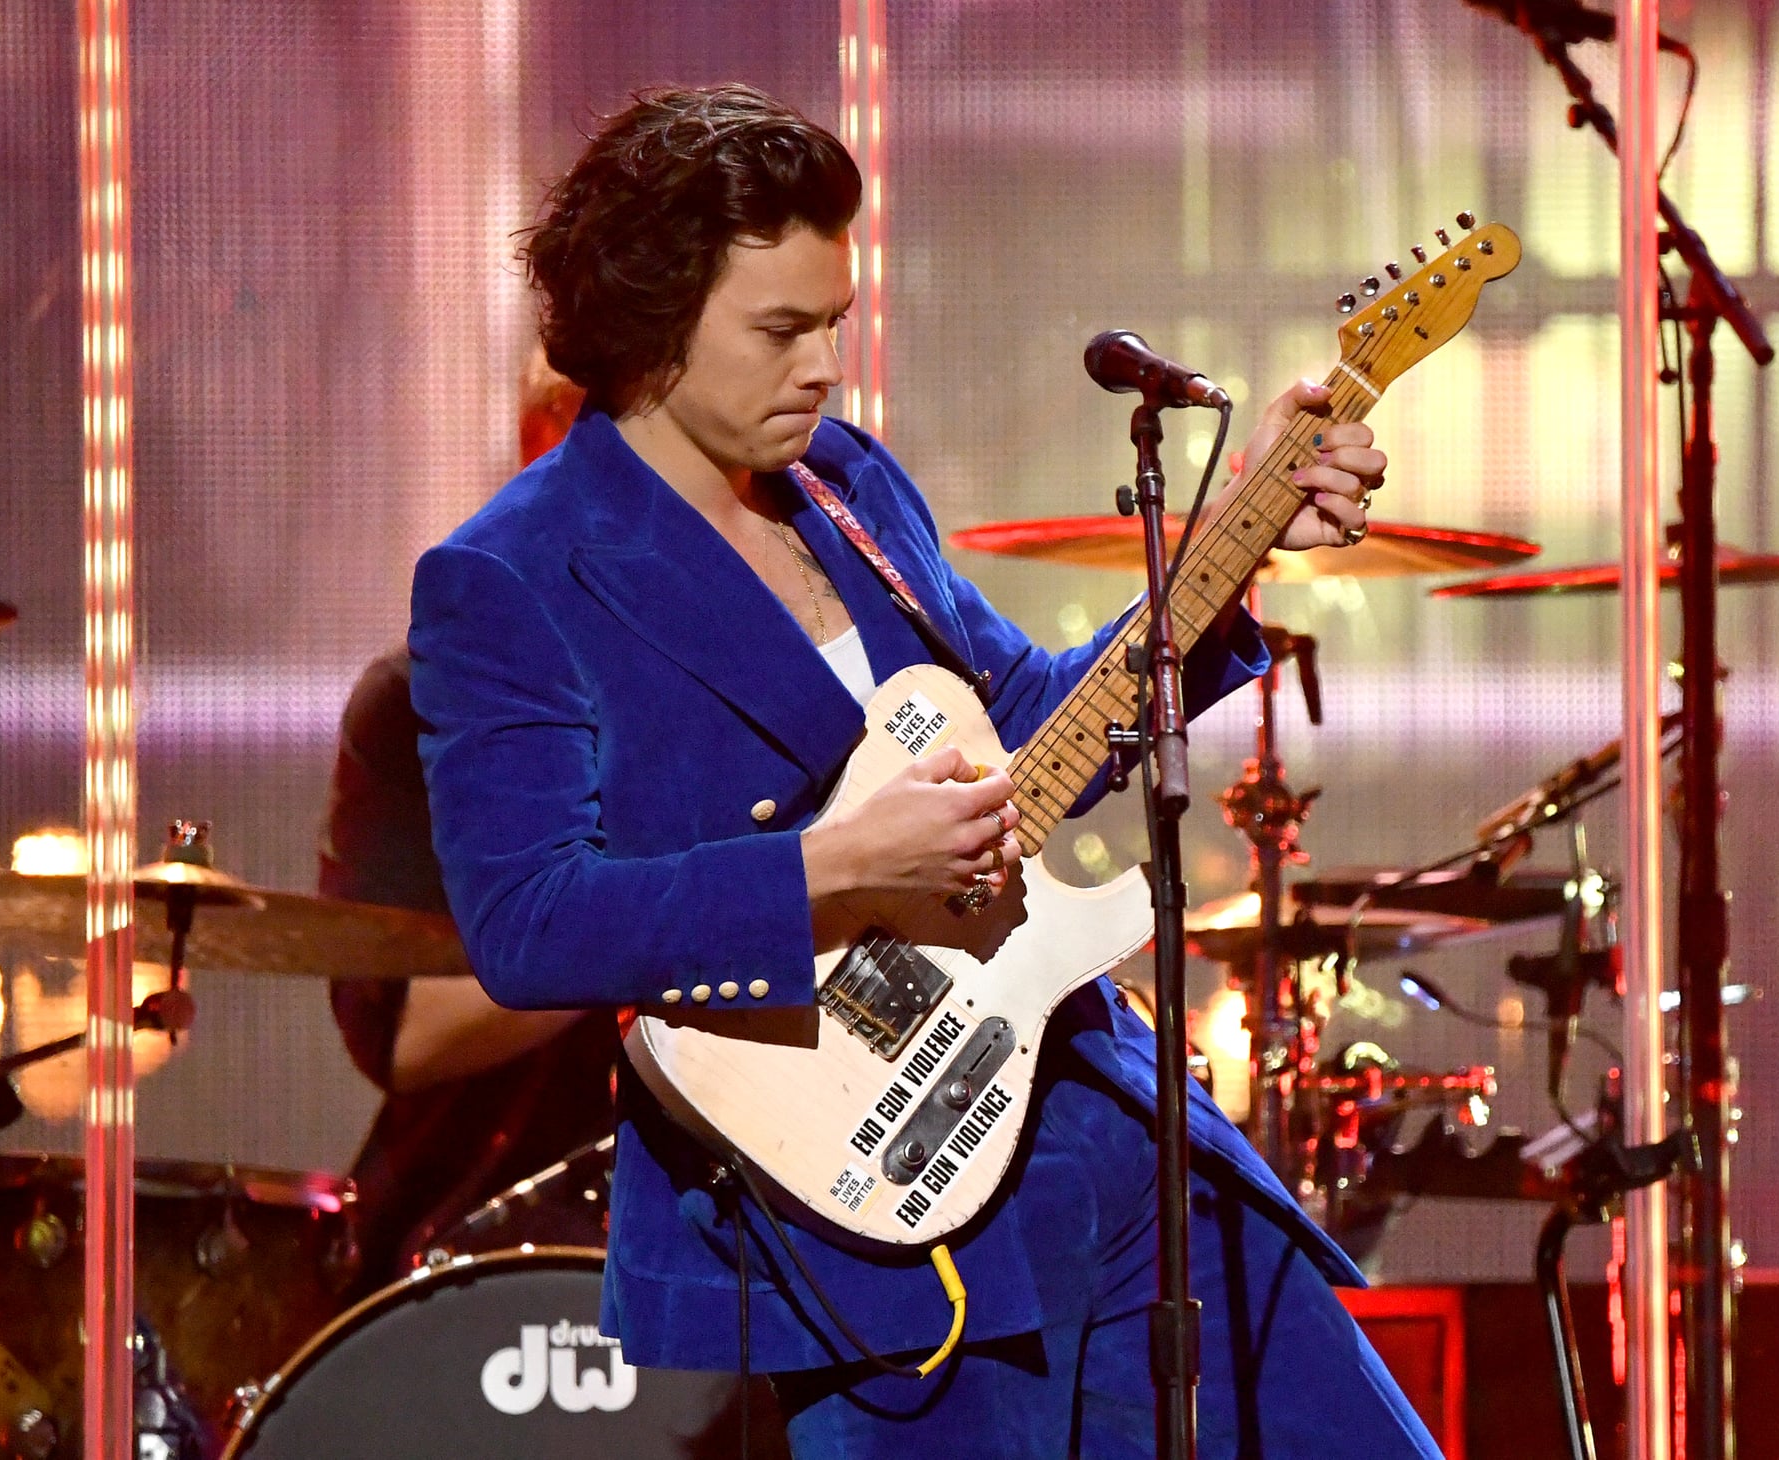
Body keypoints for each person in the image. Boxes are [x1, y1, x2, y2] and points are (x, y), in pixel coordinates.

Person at [409, 84, 1438, 1457]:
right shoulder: (511, 574)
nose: (822, 367)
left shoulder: (847, 482)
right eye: (779, 332)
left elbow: (1025, 732)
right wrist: (835, 871)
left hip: (1105, 1121)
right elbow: (529, 926)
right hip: (872, 1213)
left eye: (833, 323)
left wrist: (1236, 551)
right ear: (649, 320)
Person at [321, 348, 619, 1294]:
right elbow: (402, 1038)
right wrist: (670, 923)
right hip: (474, 1244)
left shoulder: (773, 673)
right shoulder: (417, 701)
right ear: (545, 453)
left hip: (741, 1231)